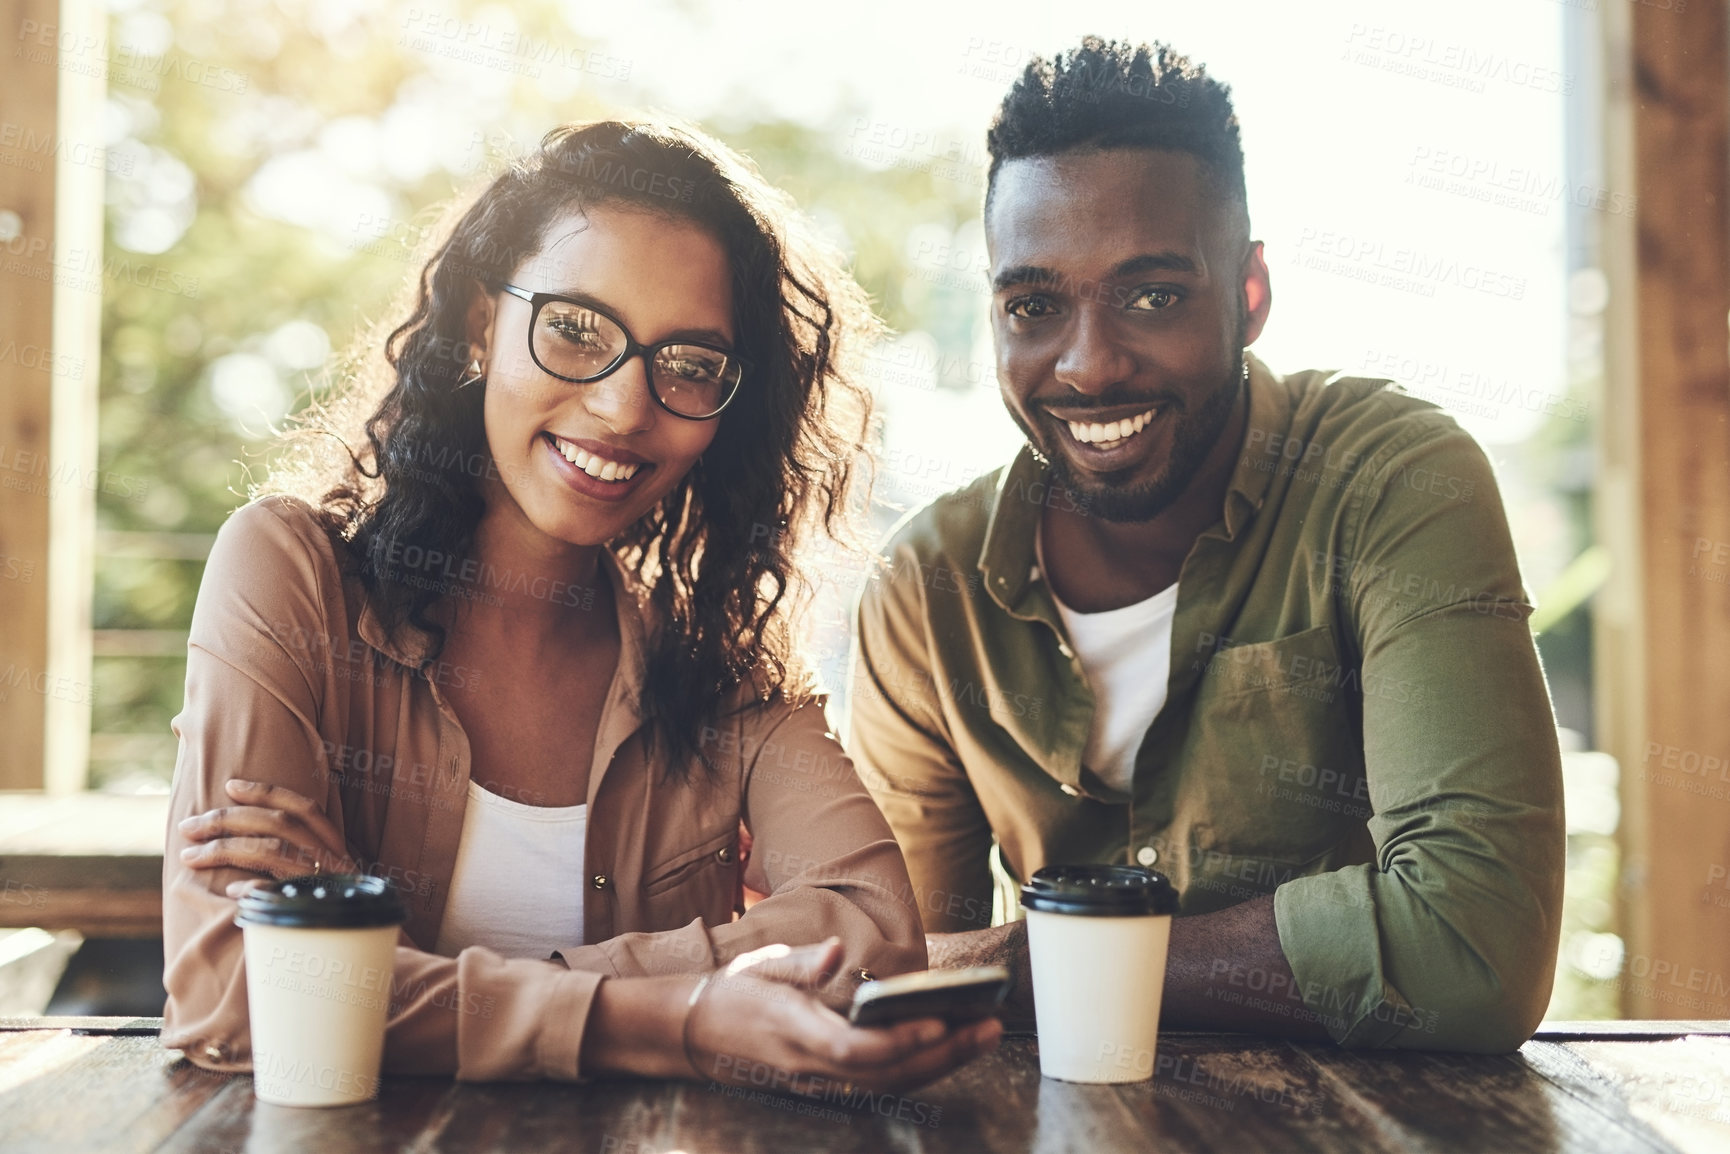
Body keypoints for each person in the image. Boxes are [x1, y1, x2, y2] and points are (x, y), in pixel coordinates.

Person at [163, 118, 1001, 1089]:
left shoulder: (726, 665)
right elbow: (233, 996)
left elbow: (873, 937)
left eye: (687, 363)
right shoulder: (290, 575)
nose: (621, 406)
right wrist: (670, 1011)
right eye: (573, 328)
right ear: (482, 321)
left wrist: (376, 960)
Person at [847, 39, 1565, 1053]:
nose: (1088, 366)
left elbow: (1471, 947)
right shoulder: (928, 590)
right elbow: (913, 982)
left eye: (1151, 295)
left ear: (1248, 294)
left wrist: (1034, 960)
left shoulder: (1388, 482)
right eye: (1033, 305)